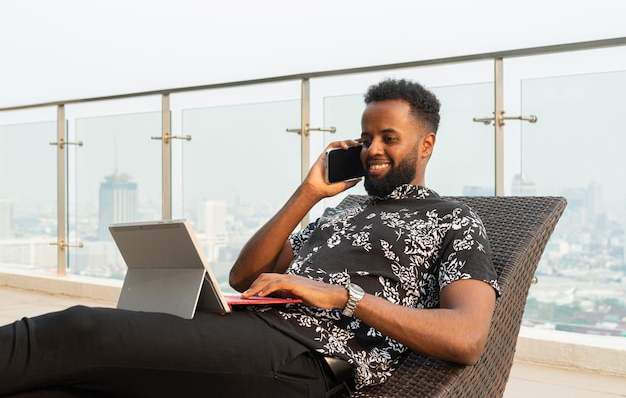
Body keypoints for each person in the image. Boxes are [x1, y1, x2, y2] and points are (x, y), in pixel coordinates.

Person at [0, 78, 499, 398]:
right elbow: (245, 274)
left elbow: (467, 338)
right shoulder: (344, 211)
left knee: (82, 331)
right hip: (253, 330)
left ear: (426, 143)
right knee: (66, 383)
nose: (372, 149)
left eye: (389, 137)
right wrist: (308, 194)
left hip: (307, 359)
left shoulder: (455, 221)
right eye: (366, 138)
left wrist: (343, 297)